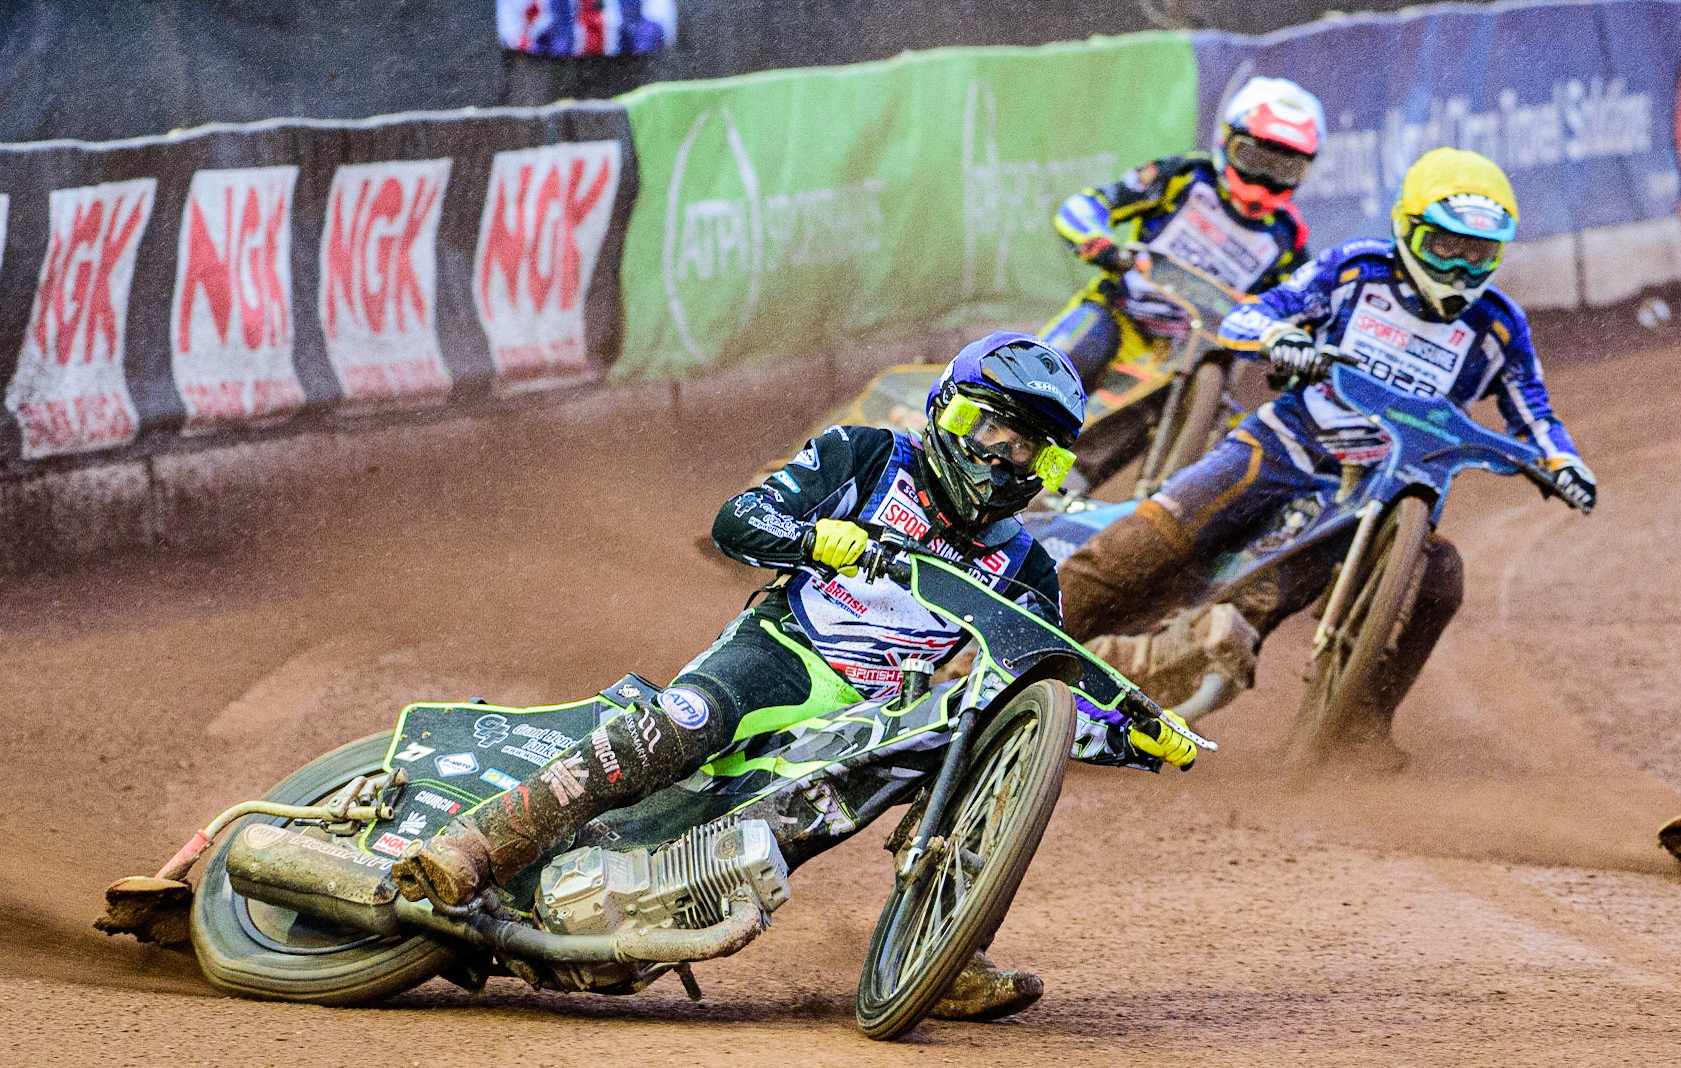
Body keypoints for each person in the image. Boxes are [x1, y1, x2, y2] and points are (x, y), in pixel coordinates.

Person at [393, 331, 1199, 1020]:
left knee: (971, 750)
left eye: (1024, 446)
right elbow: (736, 519)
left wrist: (1133, 729)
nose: (997, 454)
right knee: (683, 724)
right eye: (984, 426)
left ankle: (948, 949)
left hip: (878, 712)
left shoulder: (1026, 564)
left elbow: (1039, 684)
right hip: (783, 650)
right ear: (943, 410)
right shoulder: (866, 455)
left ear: (1047, 464)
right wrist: (815, 540)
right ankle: (474, 844)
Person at [1055, 148, 1596, 754]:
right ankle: (1011, 645)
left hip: (1380, 494)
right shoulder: (1354, 271)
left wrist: (1564, 463)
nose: (1459, 269)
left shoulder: (1499, 327)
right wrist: (1280, 337)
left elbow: (1535, 413)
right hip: (1283, 446)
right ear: (1407, 229)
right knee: (1137, 549)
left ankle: (1362, 726)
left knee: (1440, 579)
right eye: (1445, 246)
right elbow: (1251, 317)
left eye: (1479, 254)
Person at [1041, 76, 1324, 393]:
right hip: (1122, 317)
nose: (1263, 179)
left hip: (1202, 357)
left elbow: (1304, 312)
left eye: (1284, 169)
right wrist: (1101, 246)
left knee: (1251, 403)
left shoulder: (1288, 236)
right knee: (1066, 351)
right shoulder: (1185, 176)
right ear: (1226, 140)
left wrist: (1298, 348)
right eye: (1254, 158)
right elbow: (1085, 206)